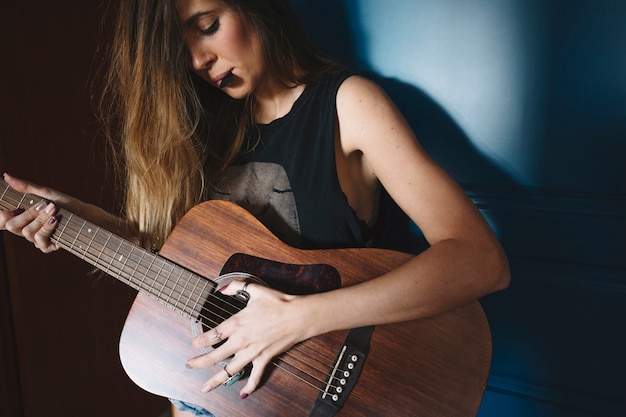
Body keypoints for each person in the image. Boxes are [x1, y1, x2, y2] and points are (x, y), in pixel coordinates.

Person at [1, 0, 510, 415]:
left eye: (207, 26)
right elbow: (193, 265)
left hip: (328, 390)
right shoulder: (204, 133)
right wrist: (76, 218)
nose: (199, 60)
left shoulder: (346, 105)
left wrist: (297, 318)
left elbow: (479, 261)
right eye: (182, 48)